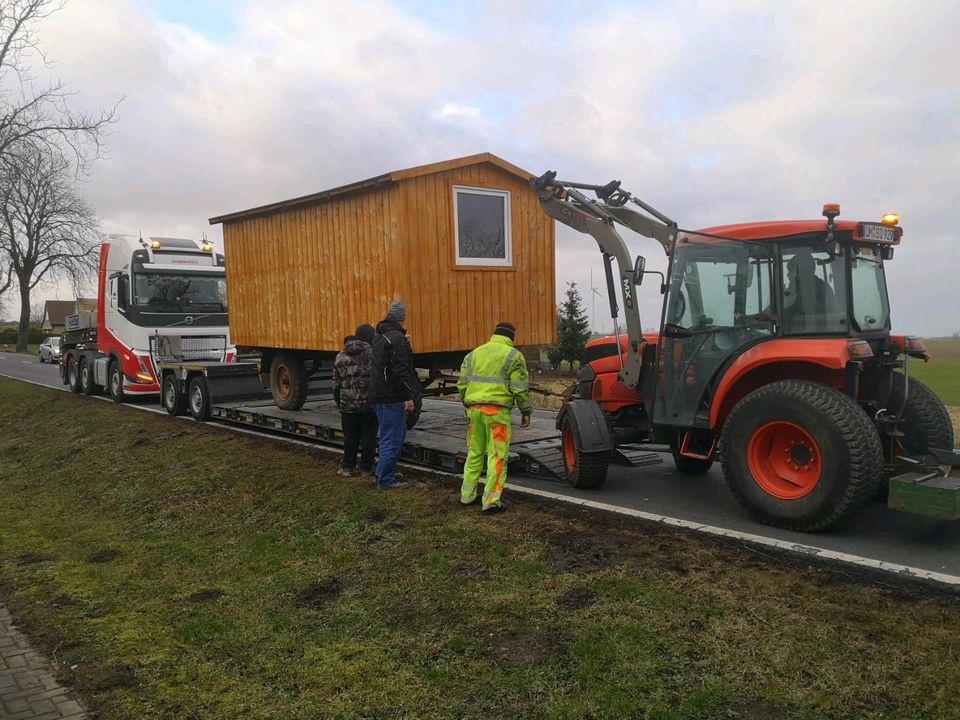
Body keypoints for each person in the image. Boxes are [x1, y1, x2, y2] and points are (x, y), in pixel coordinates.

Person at [457, 322, 533, 514]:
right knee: (497, 456)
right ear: (511, 337)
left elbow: (462, 385)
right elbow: (520, 389)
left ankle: (467, 496)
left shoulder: (473, 354)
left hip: (474, 410)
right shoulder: (514, 356)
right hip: (497, 413)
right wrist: (526, 411)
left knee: (474, 453)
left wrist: (467, 405)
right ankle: (491, 501)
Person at [369, 299, 416, 490]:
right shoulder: (397, 339)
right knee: (392, 437)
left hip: (378, 394)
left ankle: (383, 472)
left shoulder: (380, 336)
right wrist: (407, 396)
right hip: (391, 397)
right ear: (402, 319)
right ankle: (385, 480)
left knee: (392, 434)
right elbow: (400, 371)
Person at [332, 323, 377, 479]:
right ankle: (366, 469)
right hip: (368, 405)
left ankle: (347, 468)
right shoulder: (373, 354)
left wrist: (340, 403)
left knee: (350, 437)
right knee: (368, 437)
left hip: (347, 405)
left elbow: (335, 384)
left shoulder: (340, 355)